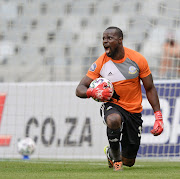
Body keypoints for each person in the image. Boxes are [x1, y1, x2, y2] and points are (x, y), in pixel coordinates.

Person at [75, 26, 164, 171]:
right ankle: (116, 161)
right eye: (103, 38)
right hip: (113, 105)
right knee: (113, 120)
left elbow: (149, 88)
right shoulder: (100, 63)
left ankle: (111, 153)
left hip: (134, 111)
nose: (105, 41)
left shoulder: (137, 59)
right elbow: (79, 89)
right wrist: (92, 92)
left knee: (129, 161)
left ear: (120, 40)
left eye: (109, 38)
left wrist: (158, 116)